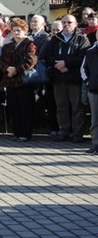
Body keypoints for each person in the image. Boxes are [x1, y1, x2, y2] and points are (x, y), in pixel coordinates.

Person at [44, 14, 90, 142]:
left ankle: (77, 133)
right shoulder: (55, 39)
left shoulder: (82, 39)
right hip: (58, 78)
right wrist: (57, 65)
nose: (66, 25)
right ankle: (63, 131)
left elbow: (83, 57)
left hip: (74, 78)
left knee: (77, 107)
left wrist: (66, 64)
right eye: (64, 22)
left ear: (75, 24)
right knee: (61, 106)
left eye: (69, 22)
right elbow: (48, 56)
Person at [0, 18, 38, 142]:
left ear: (25, 31)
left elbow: (31, 60)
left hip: (23, 81)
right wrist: (7, 69)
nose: (16, 33)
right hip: (10, 81)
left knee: (25, 108)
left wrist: (16, 69)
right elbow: (1, 60)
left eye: (19, 30)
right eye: (14, 30)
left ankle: (25, 133)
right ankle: (15, 132)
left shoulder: (29, 44)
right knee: (13, 107)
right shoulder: (8, 45)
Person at [80, 41, 98, 154]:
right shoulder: (90, 52)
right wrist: (88, 82)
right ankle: (96, 144)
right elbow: (83, 69)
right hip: (94, 90)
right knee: (95, 120)